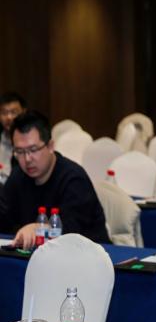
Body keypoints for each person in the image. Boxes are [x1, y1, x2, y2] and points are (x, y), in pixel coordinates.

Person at [0, 111, 110, 247]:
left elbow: (71, 231)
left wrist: (37, 228)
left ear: (50, 146)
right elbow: (4, 220)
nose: (27, 159)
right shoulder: (18, 176)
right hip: (37, 253)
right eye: (20, 152)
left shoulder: (74, 179)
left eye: (33, 149)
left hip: (89, 253)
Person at [0, 92, 27, 177]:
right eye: (4, 113)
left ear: (24, 112)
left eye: (14, 112)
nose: (9, 117)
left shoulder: (31, 141)